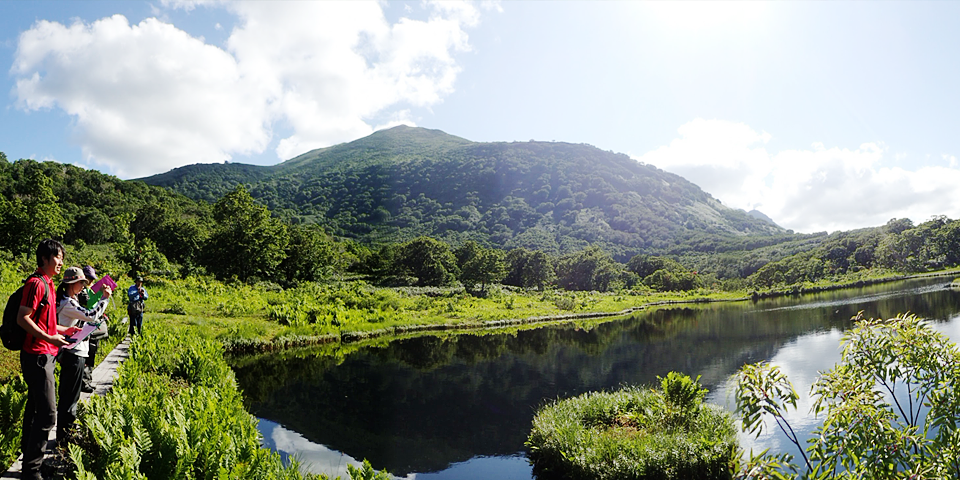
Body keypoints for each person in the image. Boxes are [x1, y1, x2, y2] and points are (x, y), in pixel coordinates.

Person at [17, 239, 79, 480]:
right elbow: (24, 318)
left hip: (46, 353)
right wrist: (49, 339)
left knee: (35, 409)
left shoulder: (49, 284)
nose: (61, 262)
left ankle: (31, 462)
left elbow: (47, 322)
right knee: (48, 414)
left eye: (62, 258)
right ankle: (31, 471)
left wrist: (63, 332)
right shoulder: (36, 284)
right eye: (57, 257)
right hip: (37, 356)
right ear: (44, 258)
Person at [56, 266, 111, 443]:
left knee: (70, 394)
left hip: (74, 352)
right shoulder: (68, 303)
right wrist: (104, 299)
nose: (83, 287)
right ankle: (65, 437)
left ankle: (65, 433)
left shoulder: (69, 300)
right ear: (73, 283)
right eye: (81, 283)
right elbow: (91, 315)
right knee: (70, 397)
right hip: (74, 353)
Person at [77, 265, 103, 393]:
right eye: (89, 278)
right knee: (87, 355)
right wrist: (101, 294)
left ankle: (88, 381)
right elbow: (89, 304)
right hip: (86, 326)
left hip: (92, 326)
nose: (91, 281)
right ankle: (83, 383)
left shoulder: (89, 290)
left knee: (91, 355)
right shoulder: (82, 292)